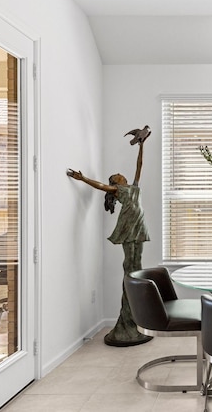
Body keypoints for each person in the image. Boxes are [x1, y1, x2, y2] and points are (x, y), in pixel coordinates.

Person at [67, 125, 152, 346]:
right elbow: (100, 185)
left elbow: (139, 165)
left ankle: (133, 320)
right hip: (128, 229)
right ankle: (126, 322)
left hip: (139, 229)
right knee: (130, 268)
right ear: (116, 183)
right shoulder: (118, 190)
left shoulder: (133, 186)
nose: (121, 174)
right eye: (117, 176)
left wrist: (142, 146)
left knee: (137, 266)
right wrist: (83, 178)